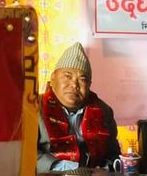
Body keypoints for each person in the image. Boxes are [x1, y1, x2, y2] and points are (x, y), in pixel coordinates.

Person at [37, 42, 120, 172]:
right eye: (67, 76)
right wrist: (73, 170)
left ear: (89, 85)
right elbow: (27, 154)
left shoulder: (103, 111)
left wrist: (107, 168)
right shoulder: (34, 107)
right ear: (53, 79)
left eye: (82, 79)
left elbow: (113, 154)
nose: (74, 85)